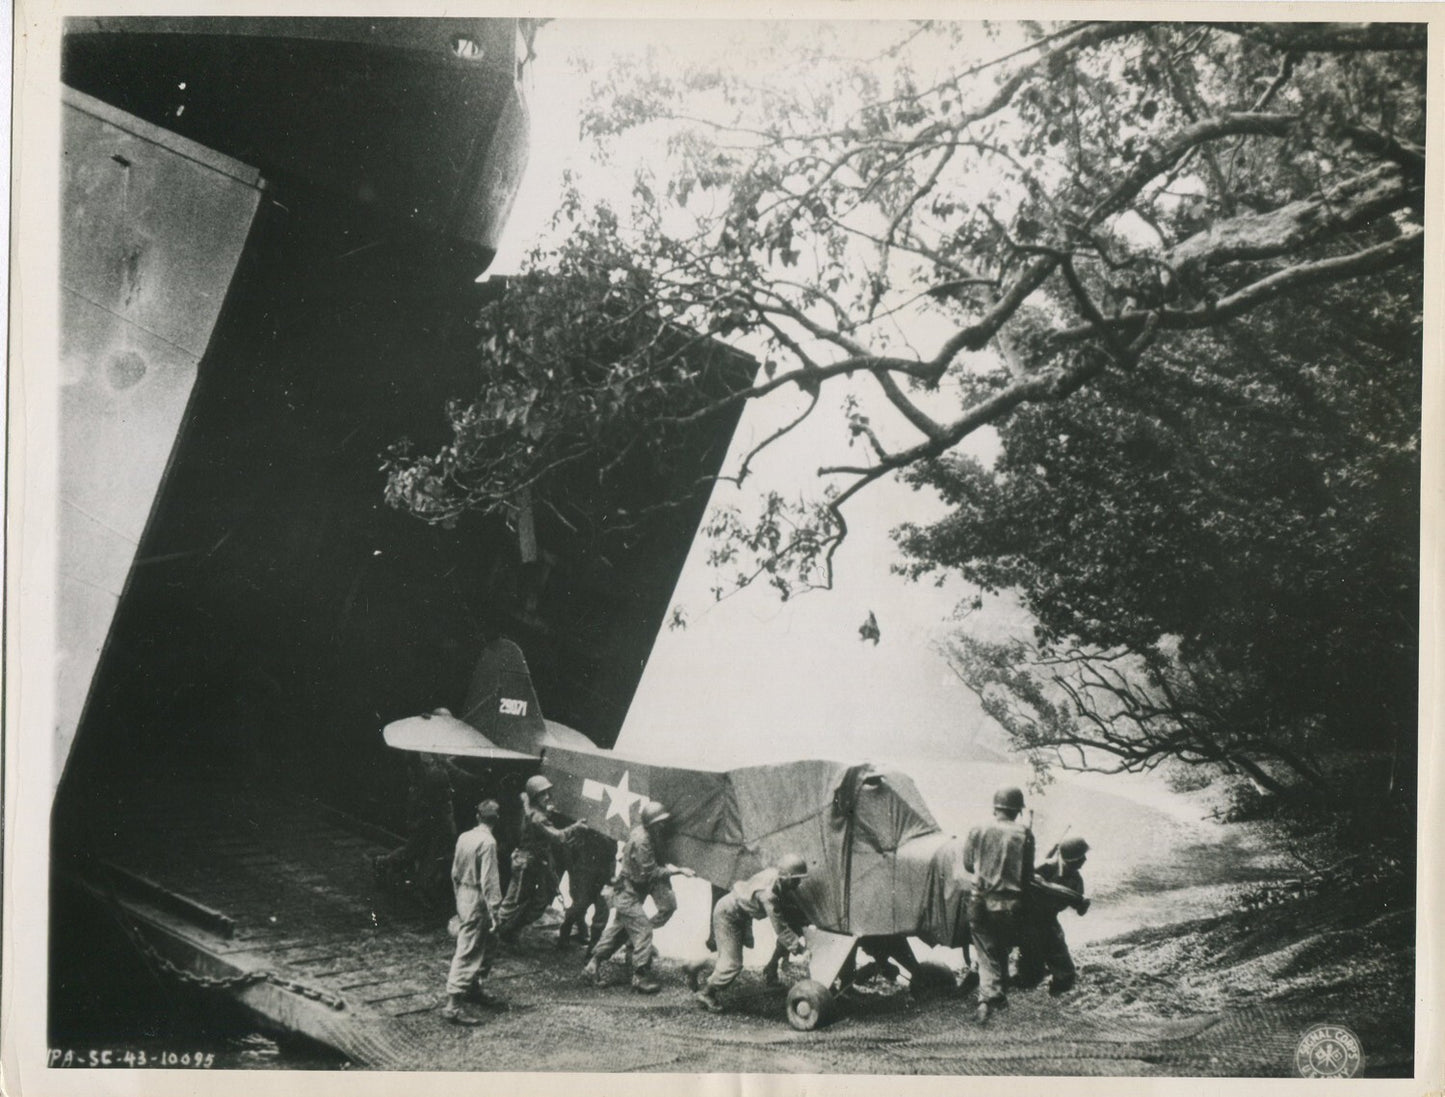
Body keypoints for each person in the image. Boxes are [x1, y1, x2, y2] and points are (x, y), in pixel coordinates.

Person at [581, 800, 694, 993]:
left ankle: (592, 966)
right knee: (642, 931)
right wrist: (678, 872)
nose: (663, 825)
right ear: (652, 823)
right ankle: (640, 976)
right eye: (660, 822)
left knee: (619, 930)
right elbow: (651, 873)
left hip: (632, 889)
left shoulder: (645, 833)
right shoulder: (643, 841)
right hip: (628, 892)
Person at [692, 854, 809, 1013]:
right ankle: (706, 993)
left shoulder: (776, 875)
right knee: (733, 964)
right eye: (796, 879)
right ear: (786, 877)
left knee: (729, 958)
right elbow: (780, 928)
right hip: (728, 915)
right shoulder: (769, 894)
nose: (799, 883)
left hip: (739, 913)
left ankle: (695, 966)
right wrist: (801, 949)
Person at [964, 786, 1035, 1024]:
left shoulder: (977, 829)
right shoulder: (1025, 833)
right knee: (1001, 945)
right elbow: (1027, 877)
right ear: (1017, 811)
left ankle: (988, 999)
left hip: (980, 900)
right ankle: (999, 992)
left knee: (986, 951)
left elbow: (967, 864)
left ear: (995, 808)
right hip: (1011, 904)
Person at [495, 775, 580, 946]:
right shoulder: (537, 818)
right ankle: (493, 933)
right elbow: (557, 836)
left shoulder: (529, 806)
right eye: (543, 794)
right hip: (525, 863)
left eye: (548, 793)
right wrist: (575, 827)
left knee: (540, 901)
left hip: (536, 862)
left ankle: (510, 930)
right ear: (535, 797)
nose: (547, 797)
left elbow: (525, 798)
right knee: (512, 902)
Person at [441, 799, 504, 1025]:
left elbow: (454, 872)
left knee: (487, 943)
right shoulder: (488, 843)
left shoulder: (464, 837)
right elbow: (489, 881)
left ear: (478, 816)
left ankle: (473, 987)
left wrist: (459, 897)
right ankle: (453, 1006)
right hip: (479, 897)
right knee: (468, 949)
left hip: (464, 893)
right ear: (496, 820)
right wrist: (495, 910)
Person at [374, 752, 459, 909]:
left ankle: (388, 864)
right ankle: (419, 885)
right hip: (426, 817)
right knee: (418, 851)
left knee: (420, 851)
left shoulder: (433, 766)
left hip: (433, 817)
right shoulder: (426, 770)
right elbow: (436, 784)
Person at [1016, 835, 1091, 995]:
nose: (1084, 859)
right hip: (1027, 919)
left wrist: (1081, 902)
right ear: (1072, 859)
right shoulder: (1045, 867)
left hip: (1049, 920)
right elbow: (1028, 881)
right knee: (1030, 972)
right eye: (1081, 856)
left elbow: (1080, 910)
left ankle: (1056, 992)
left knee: (1065, 972)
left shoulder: (1076, 880)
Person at [558, 824, 617, 952]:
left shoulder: (615, 827)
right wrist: (573, 872)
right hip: (585, 873)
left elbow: (612, 855)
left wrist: (611, 877)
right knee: (580, 906)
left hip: (604, 874)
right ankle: (565, 932)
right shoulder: (587, 824)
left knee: (602, 913)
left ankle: (592, 951)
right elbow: (569, 848)